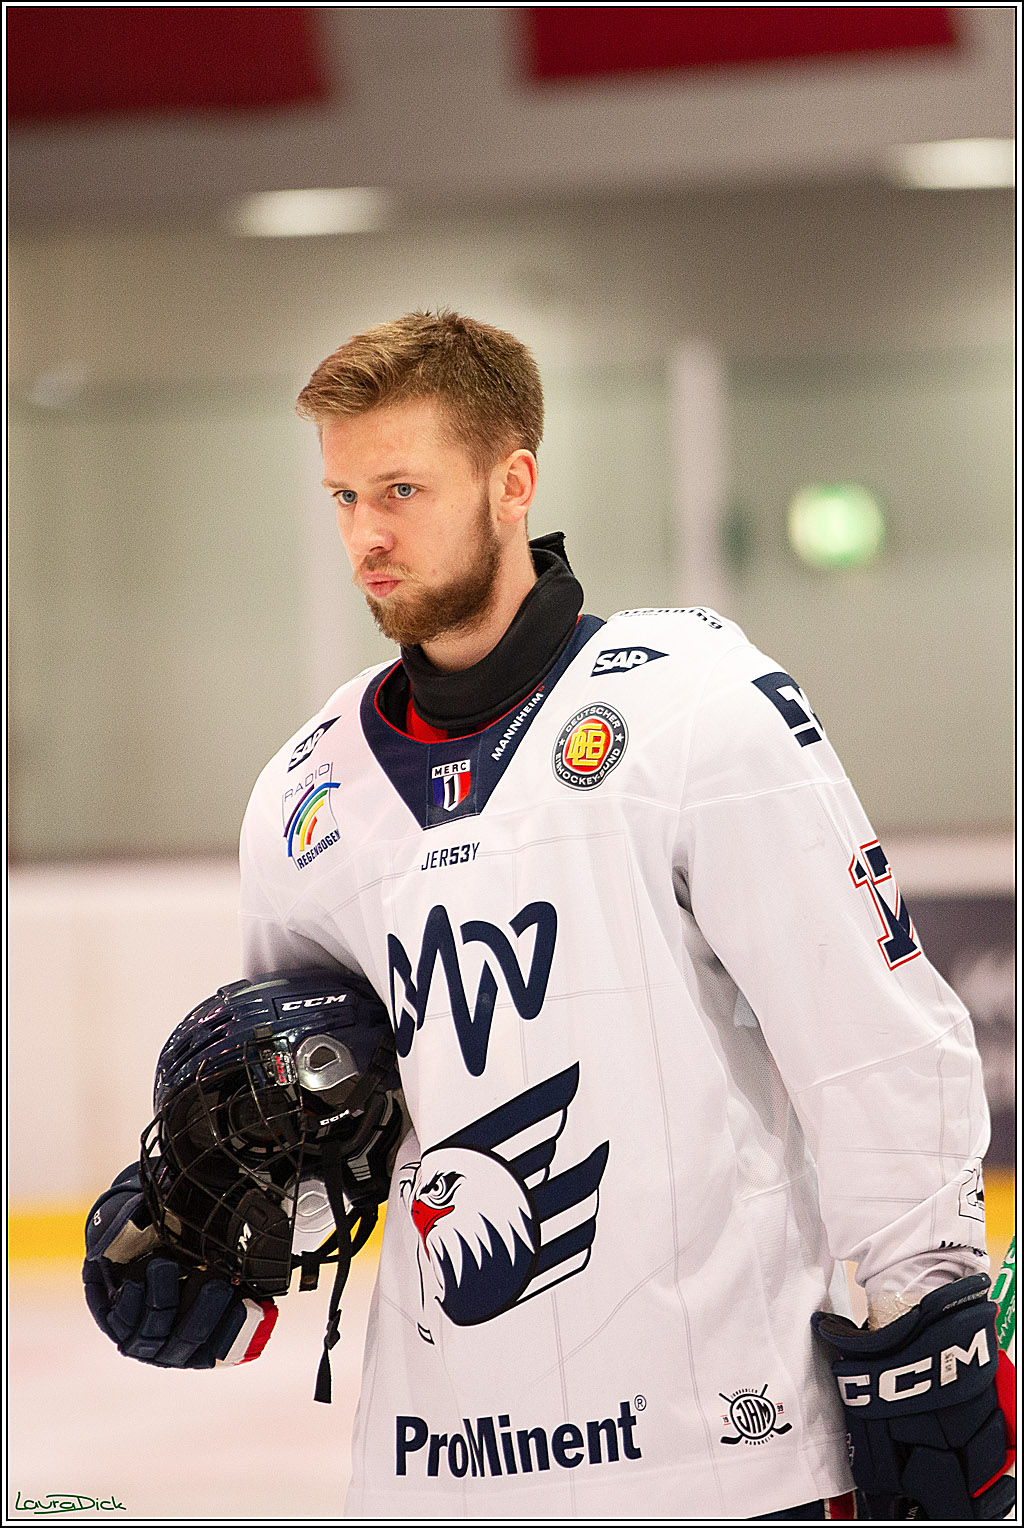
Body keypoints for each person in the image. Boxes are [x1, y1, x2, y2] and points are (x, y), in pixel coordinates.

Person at [86, 310, 1013, 1520]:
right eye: (343, 496)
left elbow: (871, 1034)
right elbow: (314, 1124)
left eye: (403, 488)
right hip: (435, 1475)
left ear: (512, 482)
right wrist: (220, 1236)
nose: (367, 534)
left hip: (721, 1457)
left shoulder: (693, 707)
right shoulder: (306, 799)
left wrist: (926, 1303)